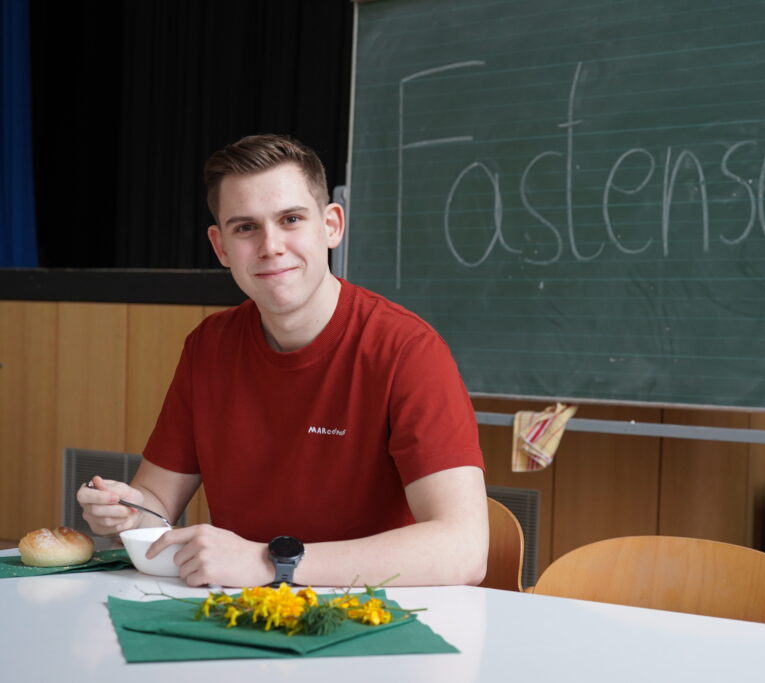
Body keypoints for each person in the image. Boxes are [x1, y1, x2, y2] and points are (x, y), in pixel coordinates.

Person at [76, 134, 488, 588]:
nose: (270, 246)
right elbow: (156, 502)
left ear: (331, 226)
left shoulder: (408, 350)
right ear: (220, 247)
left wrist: (271, 563)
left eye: (290, 219)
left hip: (374, 615)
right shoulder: (208, 347)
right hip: (238, 611)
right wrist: (127, 512)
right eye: (245, 228)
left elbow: (464, 549)